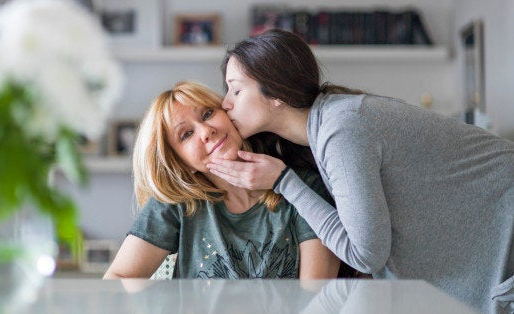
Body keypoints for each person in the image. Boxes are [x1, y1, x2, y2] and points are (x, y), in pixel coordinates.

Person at [207, 29, 513, 313]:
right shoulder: (329, 125)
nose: (226, 104)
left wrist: (284, 181)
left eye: (235, 90)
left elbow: (365, 254)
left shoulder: (342, 129)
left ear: (276, 94)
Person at [103, 81, 343, 279]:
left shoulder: (303, 187)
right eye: (186, 134)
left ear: (228, 113)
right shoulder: (178, 204)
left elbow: (317, 295)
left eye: (208, 114)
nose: (206, 131)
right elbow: (117, 280)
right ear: (180, 162)